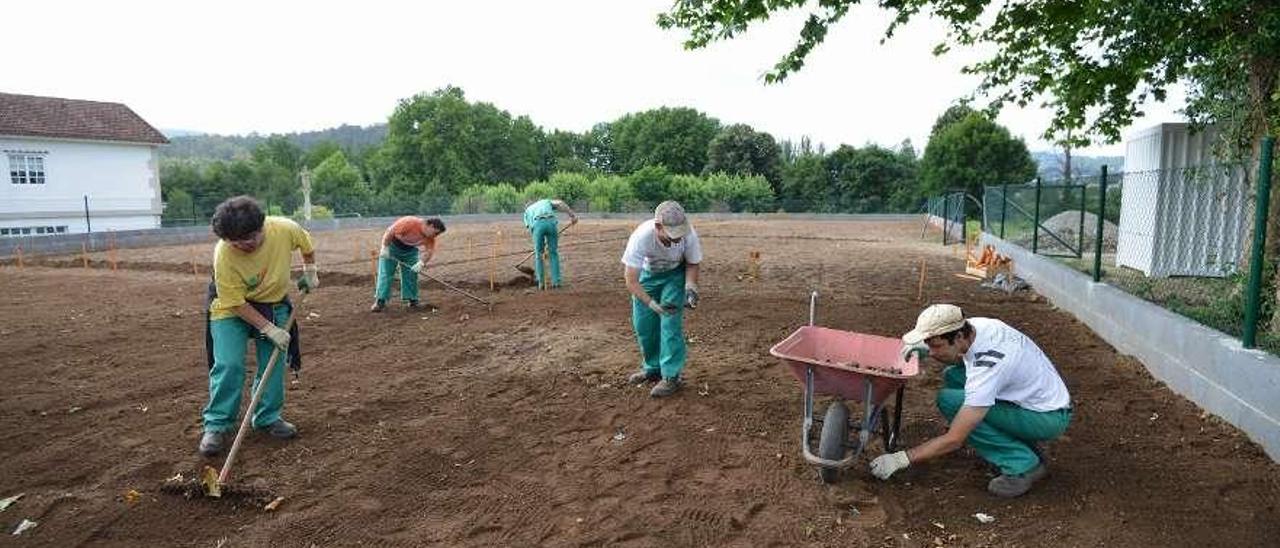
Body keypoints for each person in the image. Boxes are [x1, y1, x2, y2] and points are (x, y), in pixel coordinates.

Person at [869, 304, 1073, 497]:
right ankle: (1019, 444)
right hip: (1035, 396)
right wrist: (927, 348)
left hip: (1046, 417)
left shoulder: (988, 365)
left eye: (935, 346)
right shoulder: (978, 326)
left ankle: (1023, 465)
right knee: (953, 375)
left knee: (950, 401)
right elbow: (961, 356)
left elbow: (955, 439)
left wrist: (902, 458)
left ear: (958, 336)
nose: (931, 352)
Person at [200, 196, 318, 456]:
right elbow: (234, 302)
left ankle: (267, 417)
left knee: (274, 363)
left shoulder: (285, 228)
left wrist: (311, 271)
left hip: (274, 303)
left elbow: (306, 245)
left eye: (251, 237)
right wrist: (269, 328)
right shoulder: (224, 254)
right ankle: (217, 424)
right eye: (237, 242)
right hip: (231, 309)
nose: (246, 245)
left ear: (262, 226)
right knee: (228, 364)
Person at [621, 201, 702, 398]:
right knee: (644, 325)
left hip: (674, 275)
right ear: (658, 227)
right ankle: (652, 368)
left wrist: (690, 286)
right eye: (671, 236)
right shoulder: (641, 237)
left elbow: (692, 263)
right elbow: (631, 281)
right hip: (646, 278)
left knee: (669, 324)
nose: (676, 241)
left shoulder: (689, 233)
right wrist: (650, 303)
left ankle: (671, 376)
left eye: (679, 236)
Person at [371, 216, 446, 312]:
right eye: (436, 232)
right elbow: (390, 231)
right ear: (430, 226)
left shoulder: (430, 238)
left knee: (411, 273)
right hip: (392, 247)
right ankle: (380, 301)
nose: (436, 236)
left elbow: (429, 251)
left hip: (410, 251)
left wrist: (421, 263)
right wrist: (385, 247)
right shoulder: (409, 222)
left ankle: (413, 301)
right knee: (386, 273)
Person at [522, 198, 578, 288]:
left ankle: (541, 283)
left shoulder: (527, 212)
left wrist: (540, 247)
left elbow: (531, 228)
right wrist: (572, 216)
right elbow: (560, 203)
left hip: (537, 224)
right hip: (551, 222)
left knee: (539, 255)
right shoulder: (545, 201)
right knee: (553, 253)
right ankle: (556, 282)